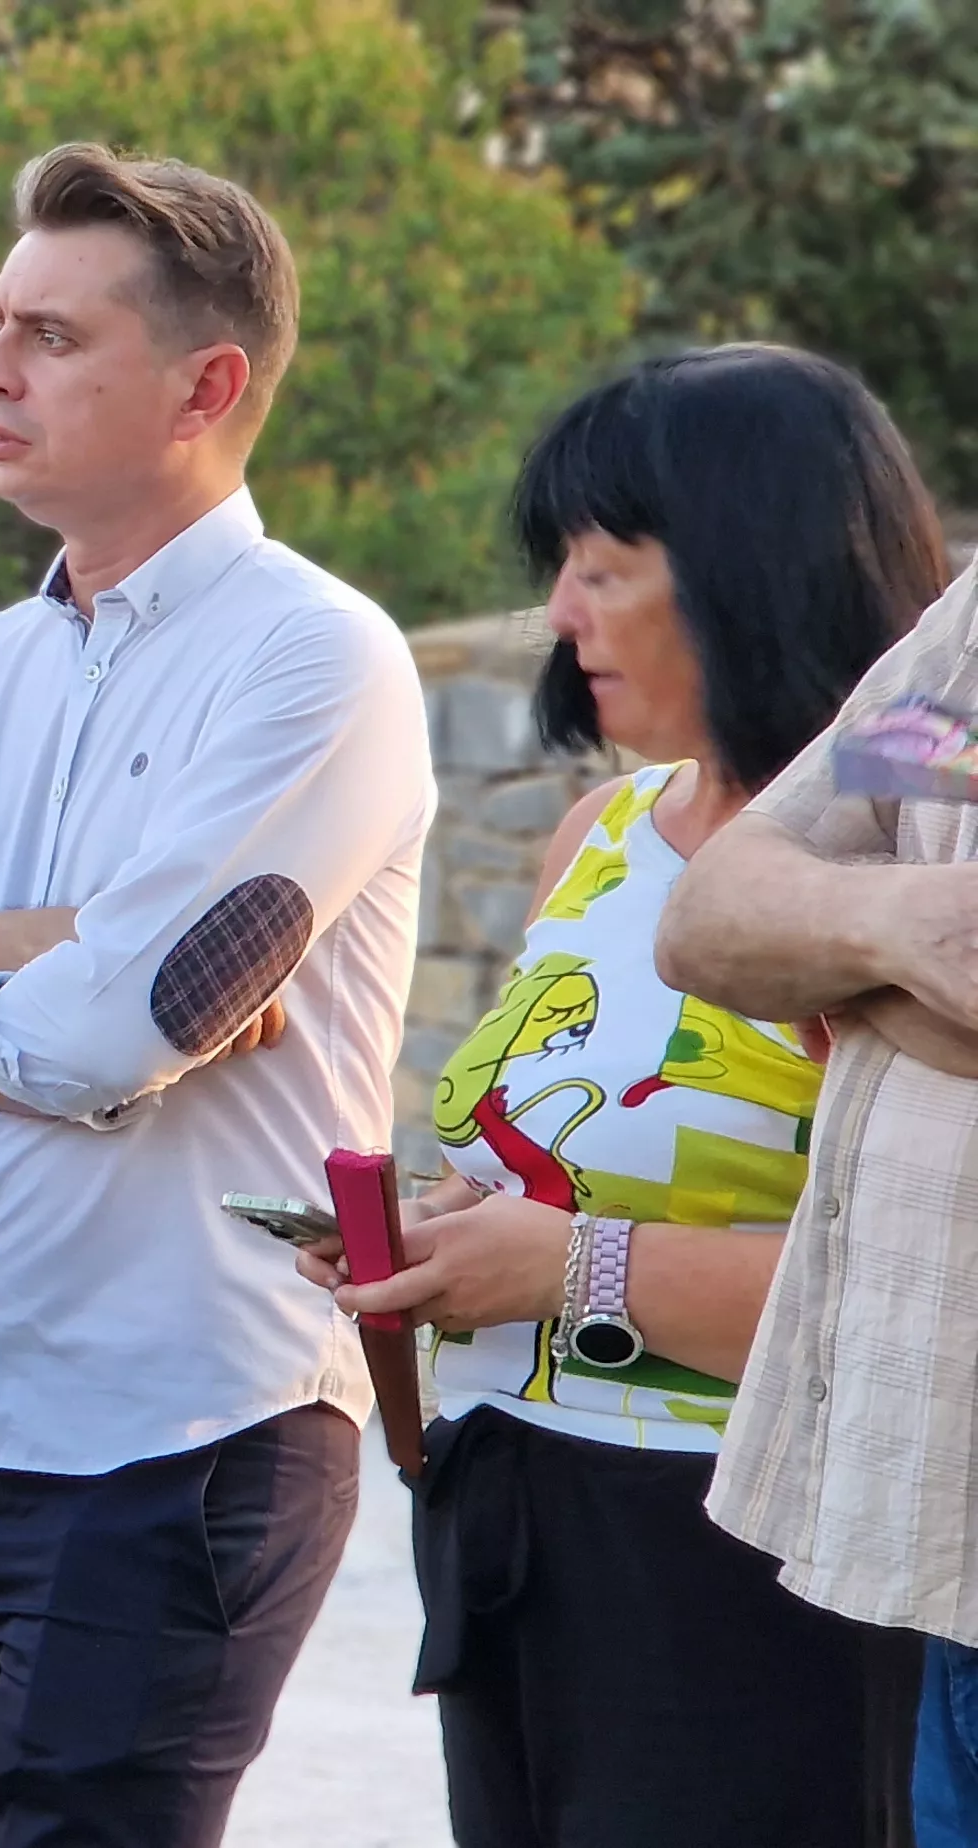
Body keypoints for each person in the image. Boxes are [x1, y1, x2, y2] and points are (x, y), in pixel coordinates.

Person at [0, 144, 431, 1845]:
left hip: (184, 1442)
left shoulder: (318, 658)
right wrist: (50, 937)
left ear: (207, 384)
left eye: (49, 334)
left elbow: (116, 1030)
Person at [292, 347, 938, 1844]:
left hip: (749, 1557)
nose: (561, 615)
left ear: (747, 565)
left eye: (602, 566)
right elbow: (582, 1164)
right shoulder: (601, 833)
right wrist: (451, 1244)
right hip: (518, 1508)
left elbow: (920, 1283)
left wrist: (581, 1267)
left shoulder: (901, 879)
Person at [653, 428, 978, 1837]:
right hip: (951, 1565)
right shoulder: (968, 643)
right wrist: (902, 925)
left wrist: (868, 985)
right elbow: (718, 908)